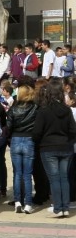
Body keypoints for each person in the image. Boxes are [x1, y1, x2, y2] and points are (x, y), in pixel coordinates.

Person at [32, 81, 76, 218]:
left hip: (48, 147)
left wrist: (39, 143)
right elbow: (73, 131)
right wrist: (68, 142)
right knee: (64, 178)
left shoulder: (44, 110)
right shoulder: (67, 110)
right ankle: (65, 206)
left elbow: (37, 132)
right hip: (65, 147)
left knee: (54, 179)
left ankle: (58, 207)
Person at [6, 85, 37, 214]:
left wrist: (9, 139)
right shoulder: (36, 108)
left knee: (17, 173)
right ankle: (28, 203)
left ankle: (18, 201)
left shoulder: (13, 108)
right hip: (29, 140)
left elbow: (8, 126)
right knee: (27, 175)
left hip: (16, 139)